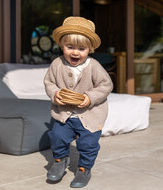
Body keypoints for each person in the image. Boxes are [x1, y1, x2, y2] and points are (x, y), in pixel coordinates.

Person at [44, 16, 113, 188]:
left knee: (87, 144)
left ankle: (84, 169)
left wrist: (90, 97)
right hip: (64, 115)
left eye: (81, 49)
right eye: (70, 47)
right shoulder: (56, 64)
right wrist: (55, 93)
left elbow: (106, 84)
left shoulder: (94, 66)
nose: (75, 52)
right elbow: (49, 82)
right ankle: (60, 160)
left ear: (89, 49)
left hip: (89, 116)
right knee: (57, 137)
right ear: (62, 46)